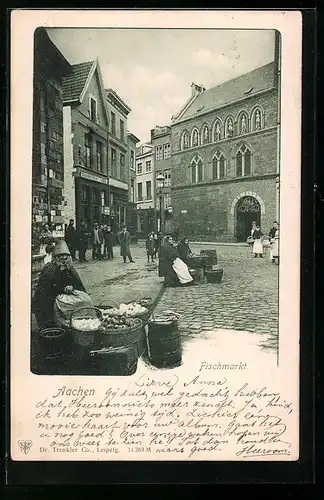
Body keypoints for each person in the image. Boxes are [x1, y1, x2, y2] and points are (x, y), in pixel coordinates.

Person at [32, 240, 87, 329]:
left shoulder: (69, 268)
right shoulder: (49, 269)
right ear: (55, 257)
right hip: (47, 302)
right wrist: (63, 289)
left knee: (84, 301)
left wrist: (72, 287)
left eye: (66, 256)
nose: (63, 257)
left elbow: (77, 283)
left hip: (61, 297)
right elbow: (46, 290)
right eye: (60, 255)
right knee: (49, 326)